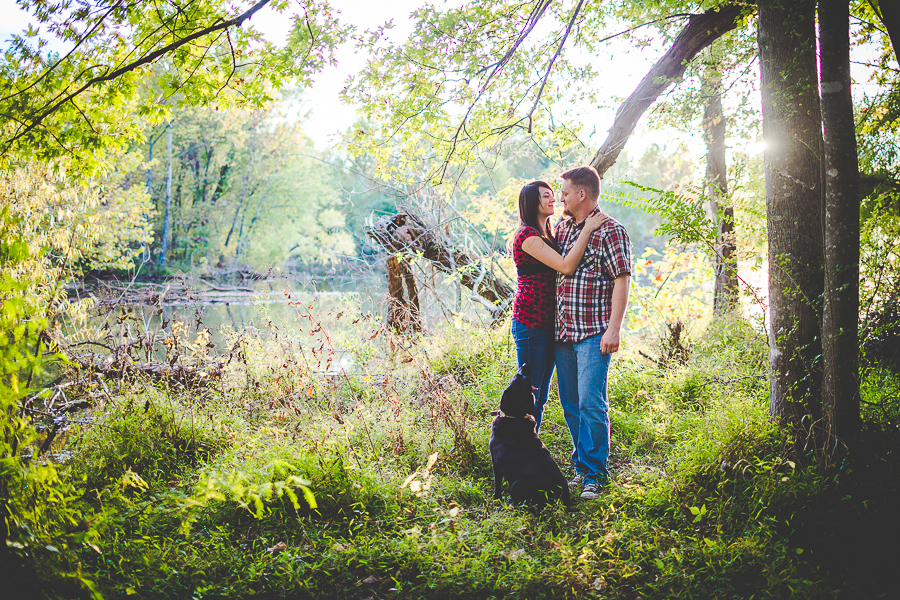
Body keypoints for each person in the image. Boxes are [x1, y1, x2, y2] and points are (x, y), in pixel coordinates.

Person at [553, 165, 632, 500]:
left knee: (591, 403)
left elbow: (622, 280)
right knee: (571, 404)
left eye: (566, 193)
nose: (561, 198)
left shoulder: (612, 231)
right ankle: (582, 468)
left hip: (592, 332)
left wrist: (614, 329)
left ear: (581, 194)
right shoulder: (563, 228)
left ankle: (596, 476)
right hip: (562, 333)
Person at [510, 180, 607, 432]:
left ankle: (528, 451)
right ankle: (518, 455)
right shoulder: (526, 236)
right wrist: (587, 229)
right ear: (532, 202)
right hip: (531, 323)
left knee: (539, 397)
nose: (553, 200)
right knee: (529, 395)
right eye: (546, 196)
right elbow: (565, 266)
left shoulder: (550, 233)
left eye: (554, 195)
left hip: (551, 325)